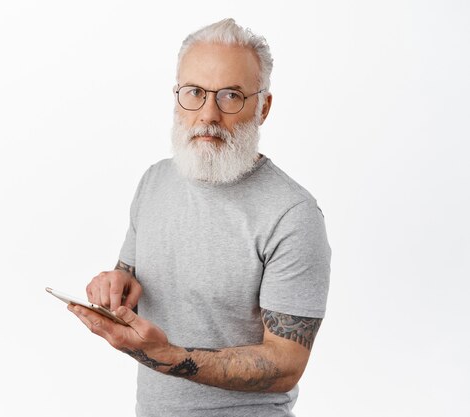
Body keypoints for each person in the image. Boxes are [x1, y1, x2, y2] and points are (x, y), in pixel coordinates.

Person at [68, 18, 331, 417]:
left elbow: (285, 366)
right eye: (194, 92)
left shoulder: (292, 214)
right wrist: (115, 286)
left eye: (230, 96)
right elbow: (132, 281)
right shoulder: (154, 181)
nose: (208, 114)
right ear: (177, 97)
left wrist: (170, 356)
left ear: (264, 106)